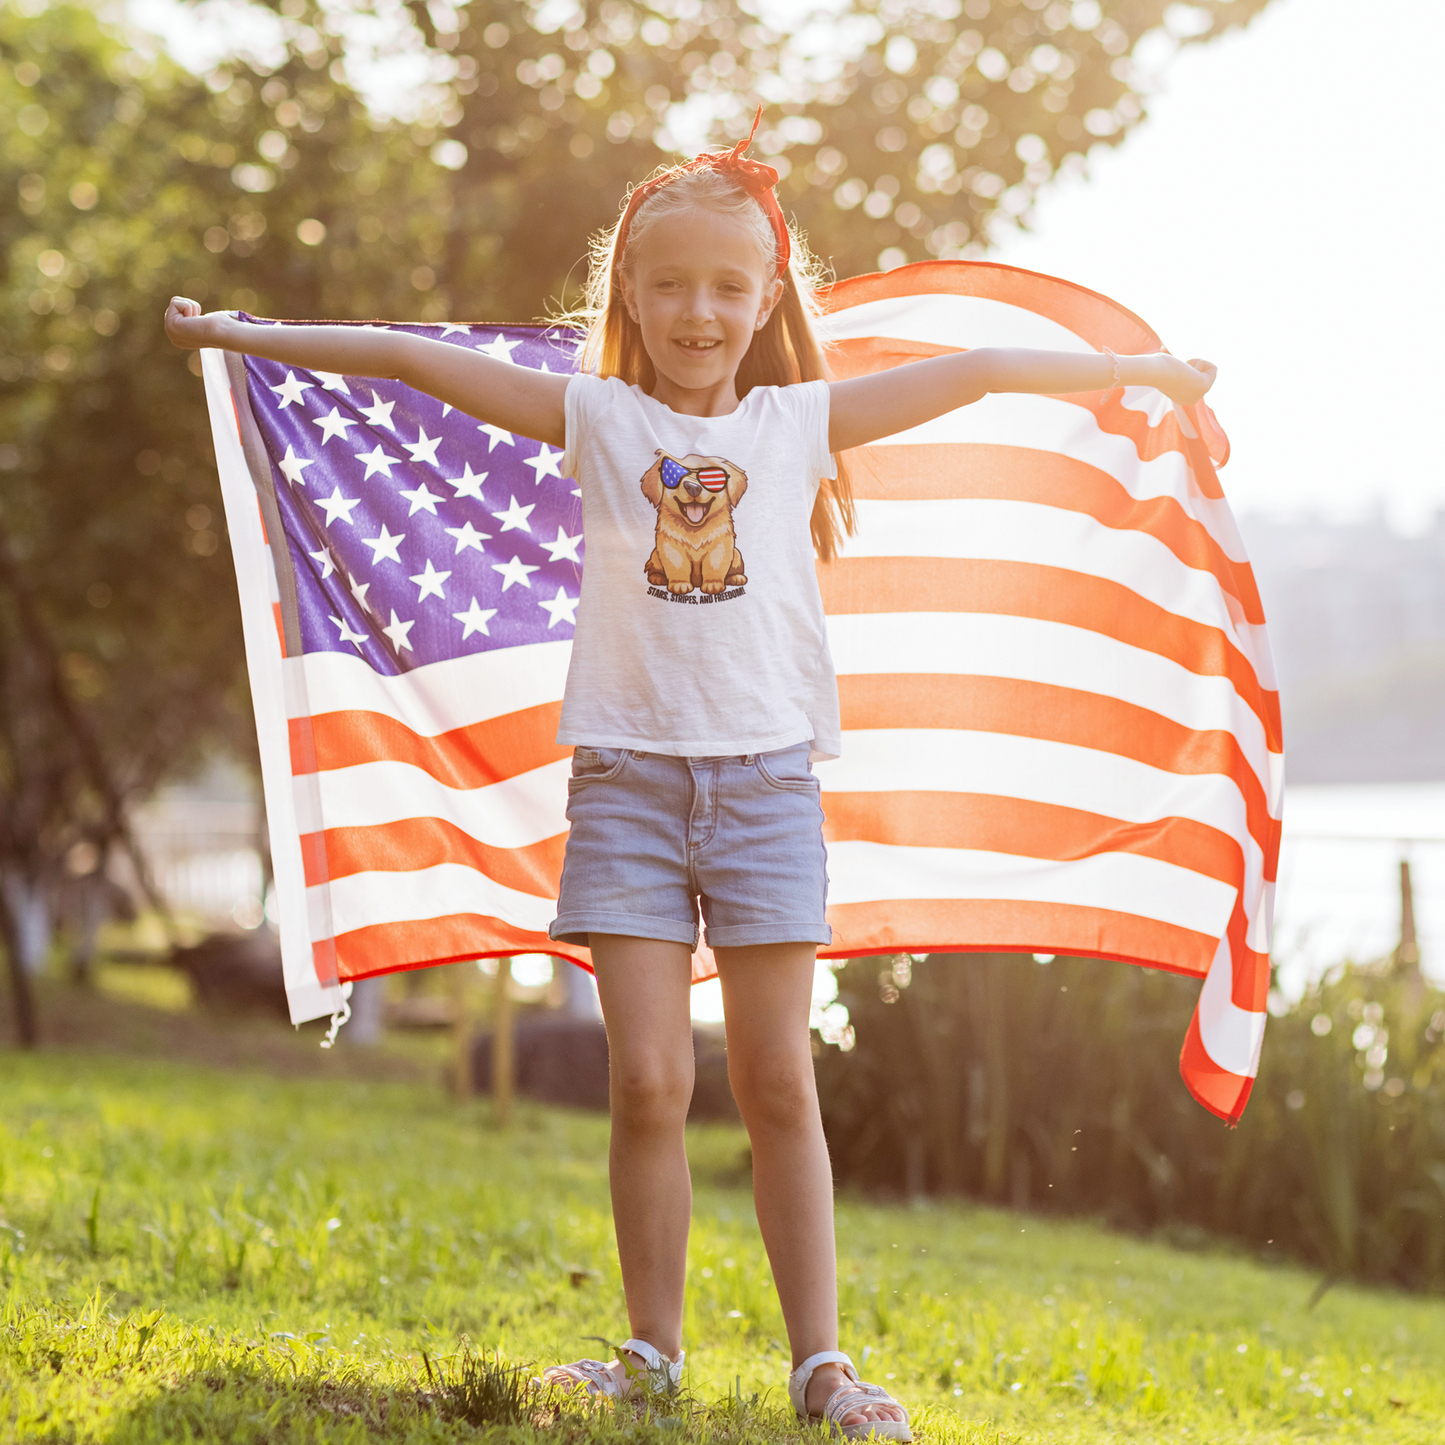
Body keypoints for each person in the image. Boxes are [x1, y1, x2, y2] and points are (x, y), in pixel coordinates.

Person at [165, 112, 1214, 1441]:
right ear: (631, 298)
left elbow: (984, 368)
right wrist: (243, 338)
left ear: (767, 296)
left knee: (780, 1082)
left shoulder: (799, 421)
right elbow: (402, 358)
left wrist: (1148, 372)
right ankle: (648, 1356)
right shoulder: (598, 417)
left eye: (727, 287)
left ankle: (820, 1366)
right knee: (649, 1081)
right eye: (669, 286)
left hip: (769, 791)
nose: (698, 311)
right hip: (630, 793)